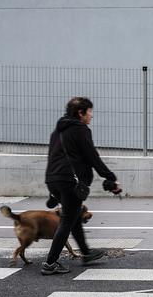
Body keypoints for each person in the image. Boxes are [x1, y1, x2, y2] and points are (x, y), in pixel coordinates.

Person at [42, 96, 122, 275]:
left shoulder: (57, 131)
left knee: (75, 215)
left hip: (53, 178)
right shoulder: (80, 130)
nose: (91, 116)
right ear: (81, 113)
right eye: (90, 111)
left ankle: (86, 253)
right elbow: (92, 156)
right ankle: (50, 263)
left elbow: (52, 157)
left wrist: (53, 186)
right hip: (70, 180)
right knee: (67, 220)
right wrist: (110, 177)